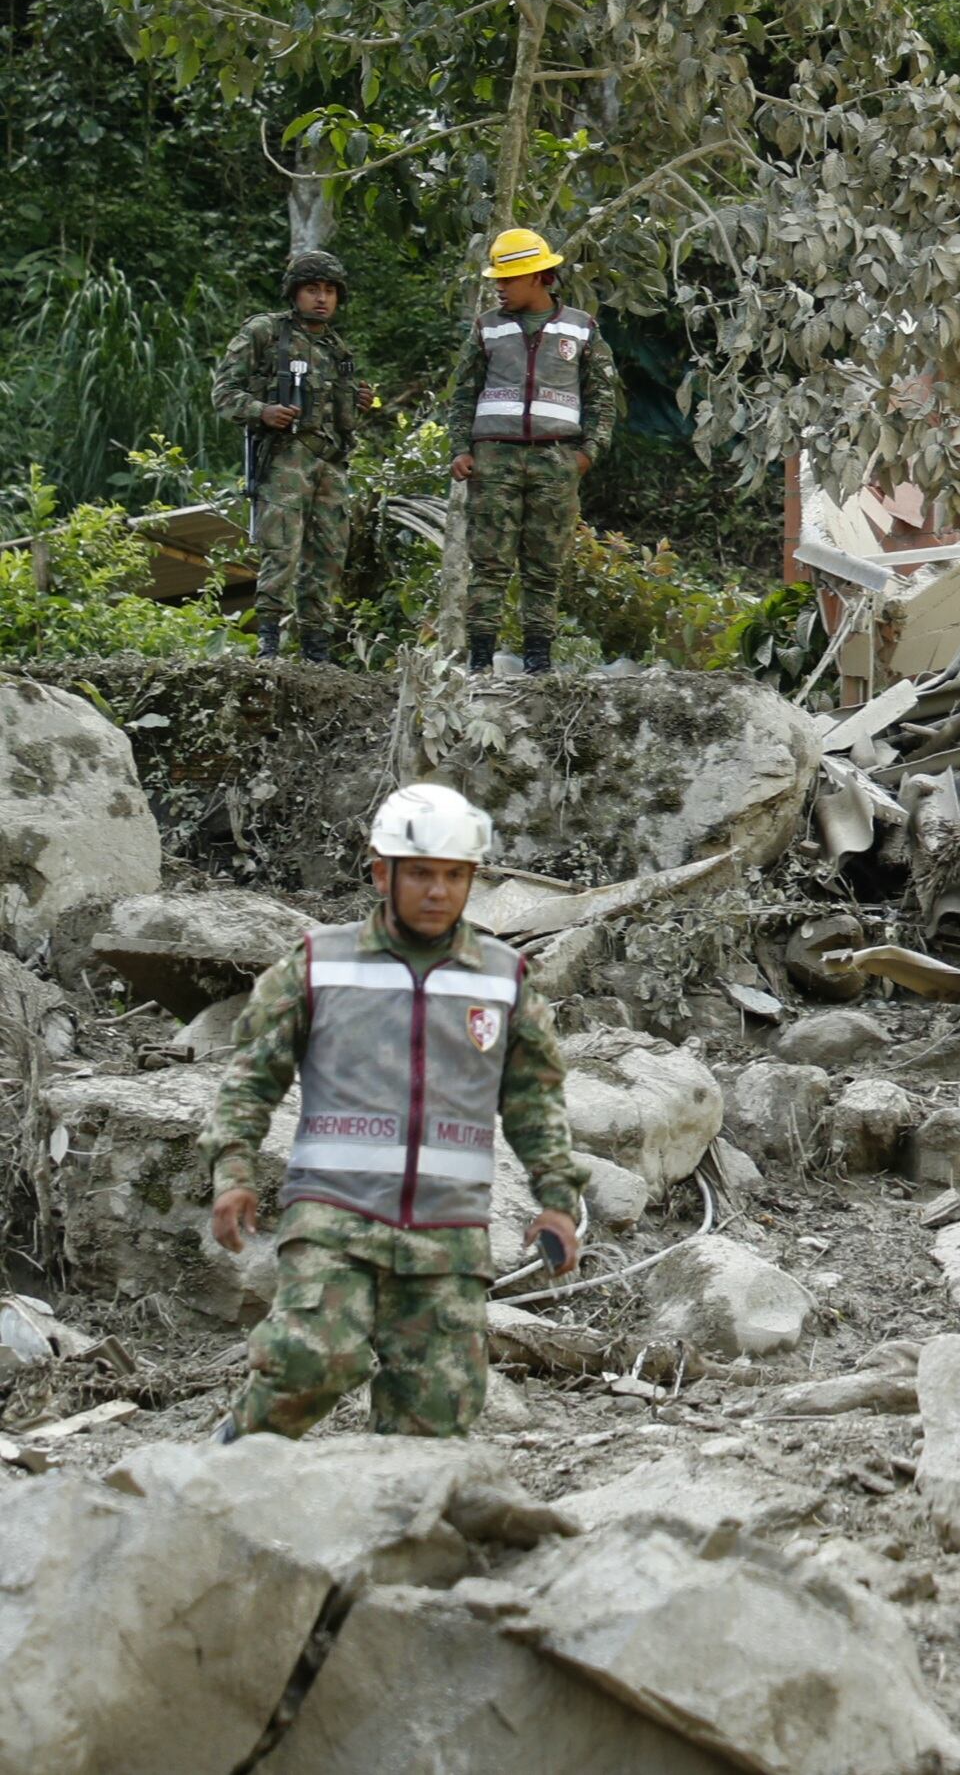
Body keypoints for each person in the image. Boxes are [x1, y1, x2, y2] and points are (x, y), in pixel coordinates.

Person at [206, 785, 585, 1439]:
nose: (438, 892)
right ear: (382, 873)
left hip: (449, 1231)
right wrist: (233, 1171)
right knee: (308, 1361)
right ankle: (211, 1481)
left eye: (454, 876)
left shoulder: (503, 978)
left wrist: (555, 1198)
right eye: (421, 874)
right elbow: (250, 1075)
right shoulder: (319, 963)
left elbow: (535, 1097)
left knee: (435, 1418)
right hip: (334, 1215)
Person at [449, 227, 619, 674]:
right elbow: (463, 393)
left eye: (507, 279)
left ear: (538, 276)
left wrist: (586, 455)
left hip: (555, 462)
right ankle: (480, 664)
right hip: (493, 463)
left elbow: (603, 396)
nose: (499, 287)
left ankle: (539, 666)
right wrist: (460, 449)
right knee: (488, 566)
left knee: (544, 569)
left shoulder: (580, 328)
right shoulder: (486, 327)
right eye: (497, 280)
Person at [211, 248, 372, 662]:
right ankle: (269, 645)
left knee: (329, 555)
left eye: (330, 291)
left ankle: (316, 650)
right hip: (285, 457)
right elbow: (224, 393)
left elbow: (342, 417)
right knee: (280, 551)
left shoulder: (338, 349)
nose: (322, 298)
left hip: (330, 463)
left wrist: (359, 403)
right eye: (313, 289)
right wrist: (262, 411)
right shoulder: (266, 332)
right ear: (294, 293)